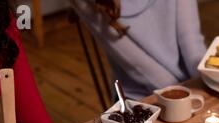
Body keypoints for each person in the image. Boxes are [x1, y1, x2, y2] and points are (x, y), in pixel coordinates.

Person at [70, 0, 207, 100]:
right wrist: (179, 97)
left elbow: (191, 42)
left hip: (192, 85)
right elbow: (139, 67)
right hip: (141, 98)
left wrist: (206, 80)